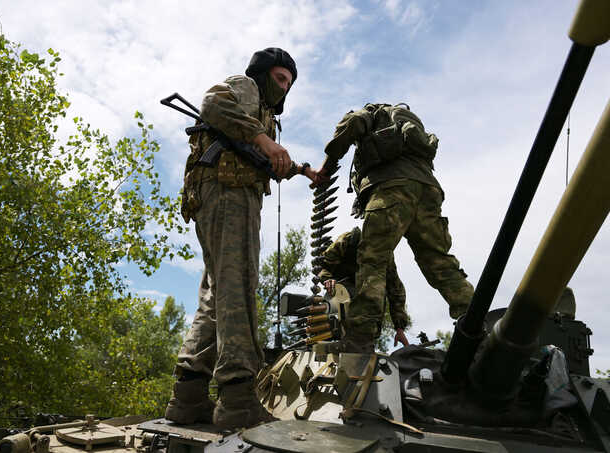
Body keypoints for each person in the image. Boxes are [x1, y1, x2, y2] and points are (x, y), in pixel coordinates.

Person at [165, 48, 317, 430]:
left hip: (221, 193)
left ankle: (189, 396)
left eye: (290, 83)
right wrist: (264, 140)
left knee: (217, 294)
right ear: (264, 74)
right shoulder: (246, 87)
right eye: (280, 78)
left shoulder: (260, 113)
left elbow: (262, 156)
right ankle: (237, 399)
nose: (284, 88)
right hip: (228, 194)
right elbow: (213, 103)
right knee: (238, 286)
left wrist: (299, 169)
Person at [313, 102, 474, 353]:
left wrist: (329, 163)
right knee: (440, 263)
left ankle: (360, 338)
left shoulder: (372, 113)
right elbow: (395, 285)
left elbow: (353, 123)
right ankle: (476, 325)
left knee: (372, 260)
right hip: (428, 190)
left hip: (391, 188)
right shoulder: (408, 124)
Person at [319, 226, 410, 347]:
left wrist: (399, 328)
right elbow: (324, 266)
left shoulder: (385, 255)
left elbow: (395, 290)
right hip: (339, 296)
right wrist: (328, 279)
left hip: (368, 311)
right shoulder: (347, 241)